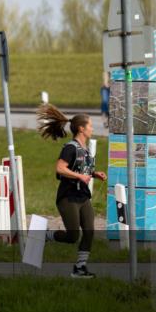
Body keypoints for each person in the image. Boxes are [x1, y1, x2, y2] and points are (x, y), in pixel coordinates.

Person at [37, 104, 106, 279]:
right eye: (90, 125)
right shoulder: (70, 147)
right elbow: (60, 168)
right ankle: (46, 236)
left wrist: (93, 174)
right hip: (68, 198)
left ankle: (80, 268)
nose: (92, 128)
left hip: (83, 197)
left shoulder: (86, 150)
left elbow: (82, 170)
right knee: (72, 235)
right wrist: (79, 177)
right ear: (82, 129)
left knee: (89, 232)